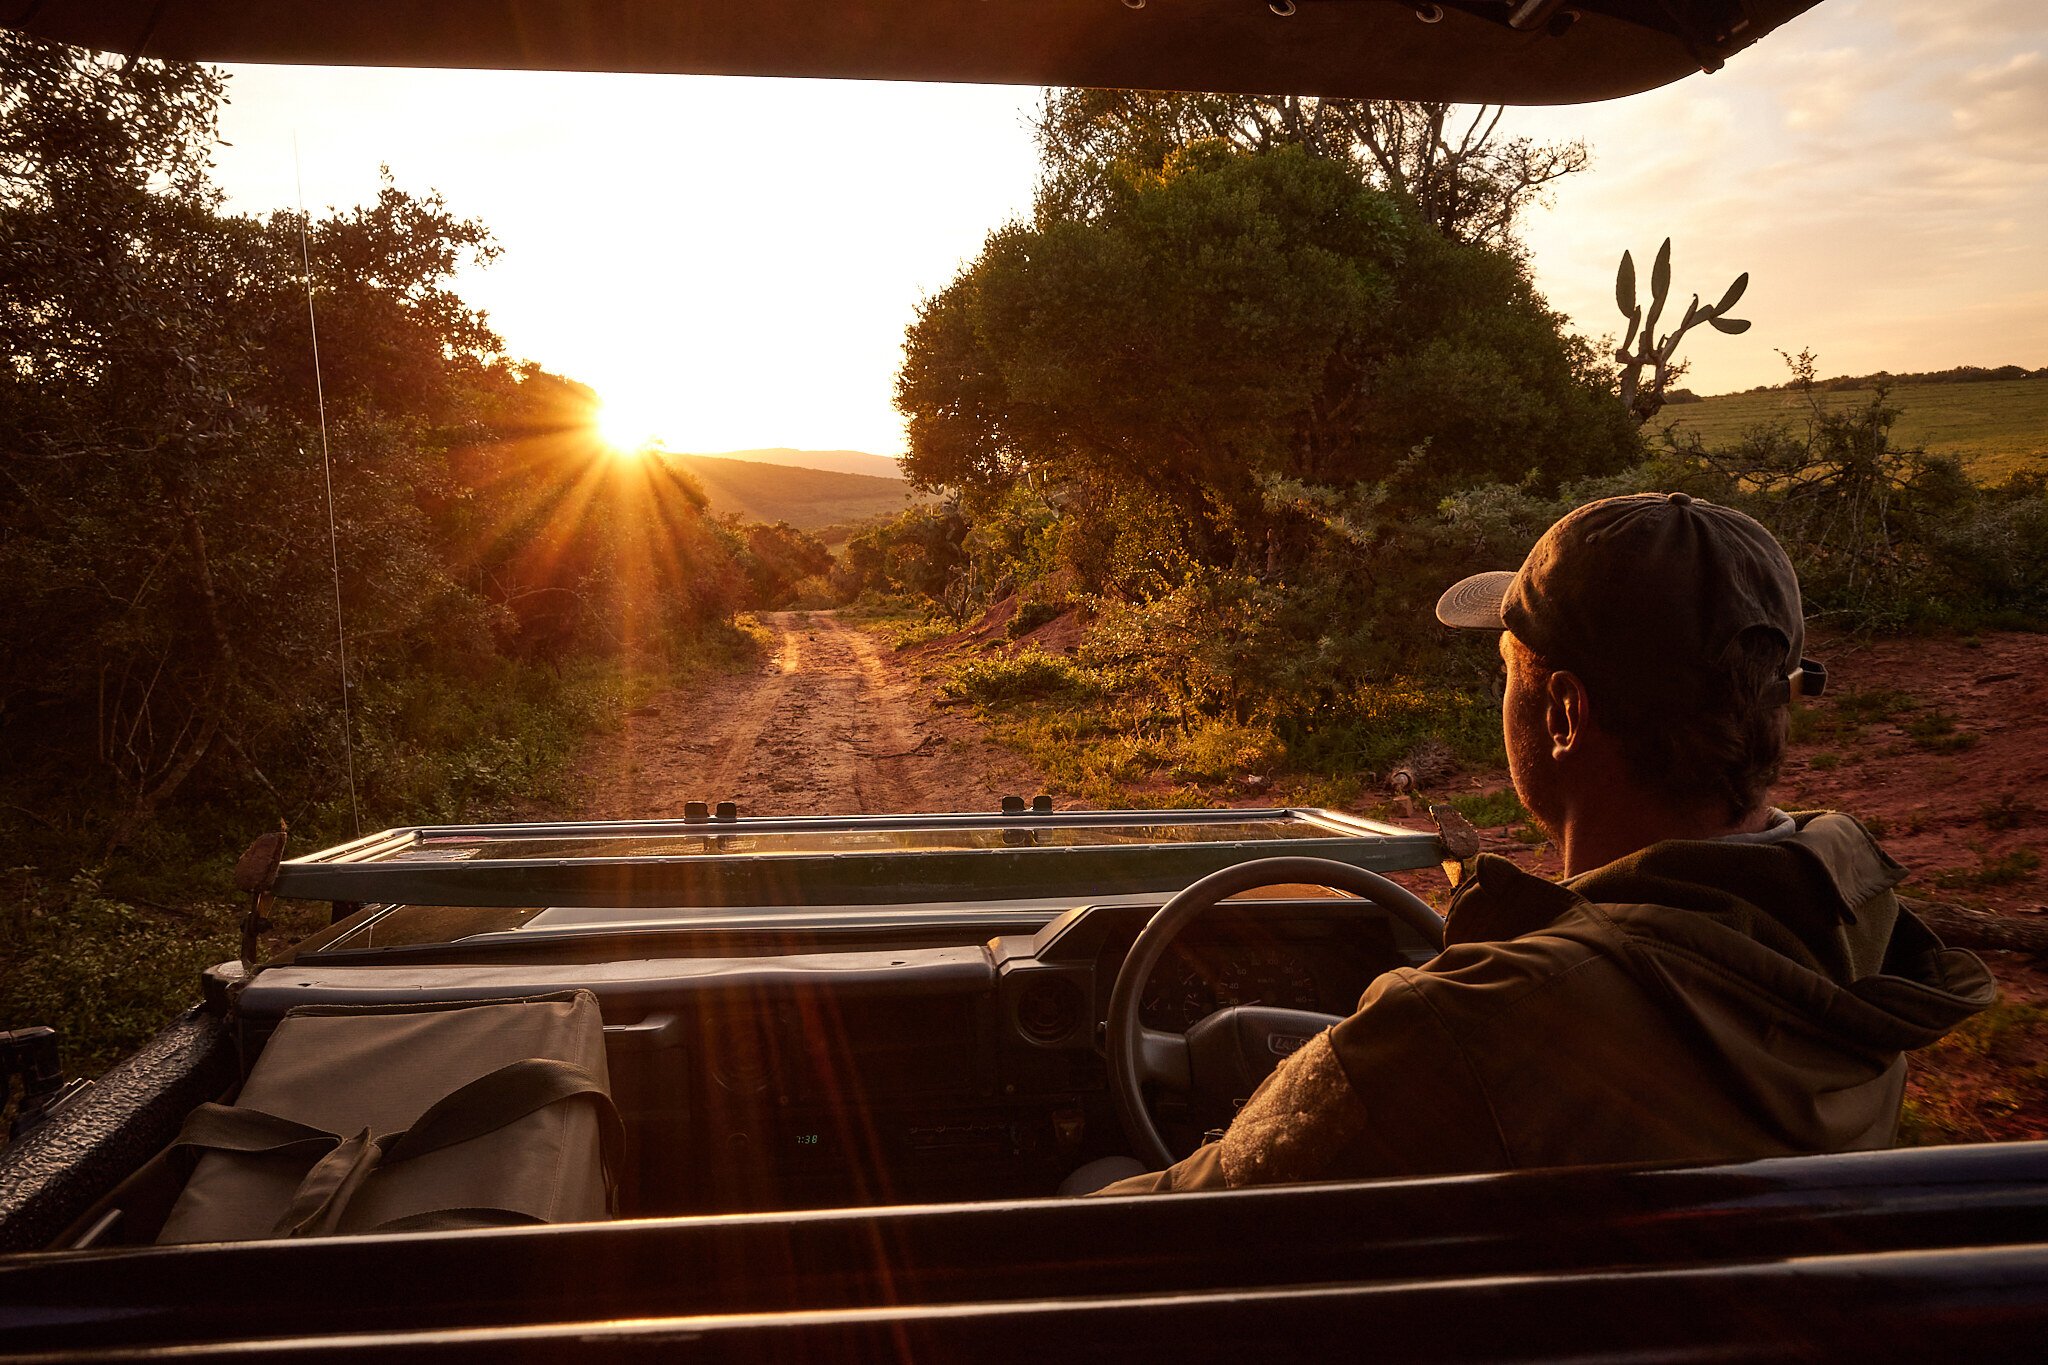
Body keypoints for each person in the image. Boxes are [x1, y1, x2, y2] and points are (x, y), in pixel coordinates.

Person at [1080, 492, 1993, 1196]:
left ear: (1563, 712)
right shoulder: (1858, 953)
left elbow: (1172, 1225)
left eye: (1506, 674)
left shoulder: (1465, 1029)